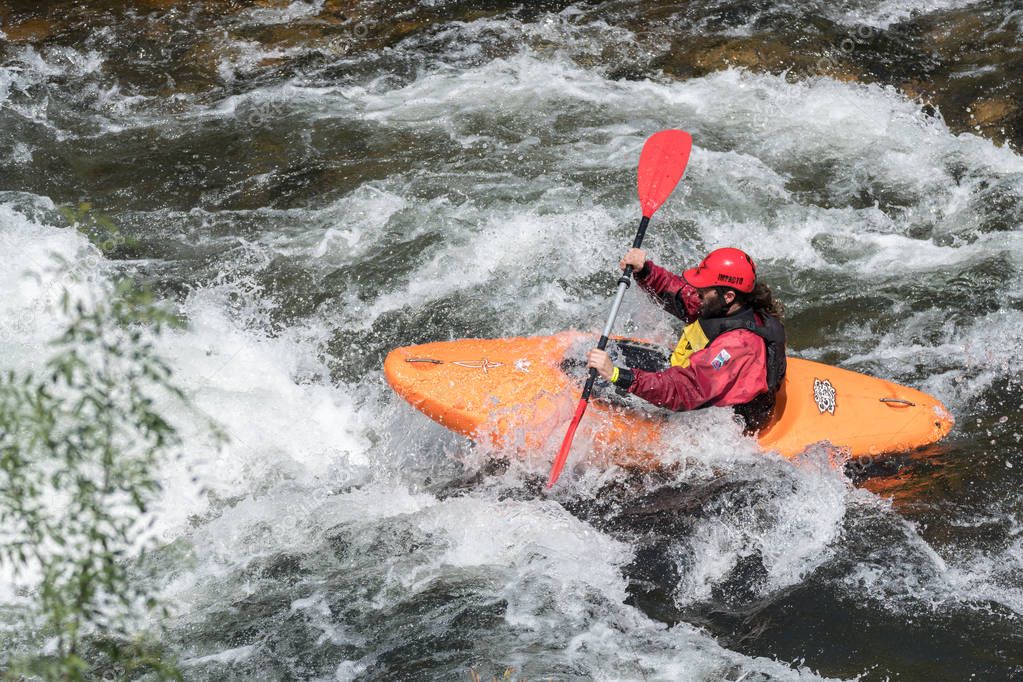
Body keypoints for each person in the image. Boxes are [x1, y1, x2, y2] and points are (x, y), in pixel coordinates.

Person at [585, 247, 787, 432]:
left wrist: (617, 375)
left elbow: (684, 391)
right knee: (591, 358)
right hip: (698, 380)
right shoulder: (724, 305)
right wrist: (645, 271)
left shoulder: (737, 345)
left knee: (602, 385)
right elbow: (682, 296)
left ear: (729, 296)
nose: (698, 289)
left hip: (723, 420)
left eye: (705, 287)